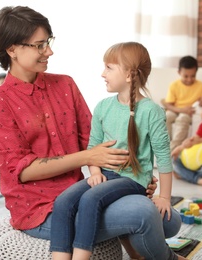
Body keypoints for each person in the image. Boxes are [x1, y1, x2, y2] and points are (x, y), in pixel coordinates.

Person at [0, 6, 182, 260]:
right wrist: (88, 158)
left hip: (89, 192)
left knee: (170, 220)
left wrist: (136, 174)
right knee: (144, 214)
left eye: (49, 42)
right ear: (12, 49)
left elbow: (99, 142)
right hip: (40, 210)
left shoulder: (64, 84)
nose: (49, 51)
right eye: (40, 45)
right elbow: (22, 170)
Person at [50, 42, 183, 260]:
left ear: (130, 75)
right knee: (63, 202)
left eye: (109, 68)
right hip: (105, 176)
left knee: (90, 199)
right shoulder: (103, 107)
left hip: (133, 180)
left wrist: (165, 197)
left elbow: (164, 157)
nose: (103, 73)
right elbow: (93, 147)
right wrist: (95, 173)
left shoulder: (152, 111)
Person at [161, 56, 202, 151]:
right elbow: (169, 104)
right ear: (179, 72)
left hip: (189, 113)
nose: (189, 79)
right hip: (175, 110)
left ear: (196, 73)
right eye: (186, 76)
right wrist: (181, 110)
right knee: (166, 117)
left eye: (193, 76)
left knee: (182, 119)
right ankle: (163, 146)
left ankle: (173, 149)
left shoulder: (201, 86)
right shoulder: (174, 85)